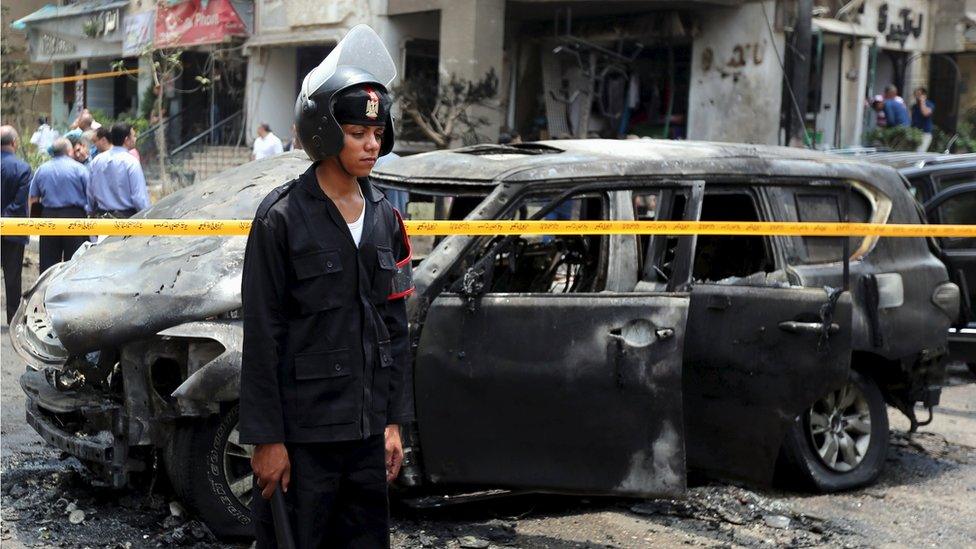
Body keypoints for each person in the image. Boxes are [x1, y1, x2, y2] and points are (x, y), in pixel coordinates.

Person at [240, 25, 413, 548]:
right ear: (324, 132)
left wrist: (392, 424)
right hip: (303, 441)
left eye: (377, 133)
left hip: (365, 441)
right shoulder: (281, 220)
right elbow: (263, 337)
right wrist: (267, 439)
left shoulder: (387, 218)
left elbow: (395, 329)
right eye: (358, 133)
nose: (371, 144)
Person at [27, 138, 90, 273]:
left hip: (49, 217)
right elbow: (90, 196)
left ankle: (47, 291)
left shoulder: (42, 170)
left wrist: (35, 221)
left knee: (48, 264)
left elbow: (33, 198)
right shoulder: (80, 169)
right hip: (75, 217)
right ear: (70, 151)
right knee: (75, 262)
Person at [1, 126, 32, 323]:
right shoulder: (22, 168)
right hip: (13, 229)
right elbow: (20, 202)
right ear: (14, 143)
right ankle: (13, 319)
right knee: (13, 277)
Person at [87, 123, 150, 218]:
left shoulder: (96, 161)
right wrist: (148, 217)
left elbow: (90, 193)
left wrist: (90, 212)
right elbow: (139, 198)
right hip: (126, 218)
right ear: (126, 140)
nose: (135, 139)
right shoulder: (131, 162)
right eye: (133, 136)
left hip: (101, 218)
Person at [912, 87, 935, 152]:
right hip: (916, 133)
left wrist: (922, 101)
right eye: (915, 94)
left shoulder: (929, 104)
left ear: (924, 95)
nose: (916, 96)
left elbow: (925, 113)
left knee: (920, 152)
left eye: (919, 94)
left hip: (925, 134)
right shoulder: (914, 106)